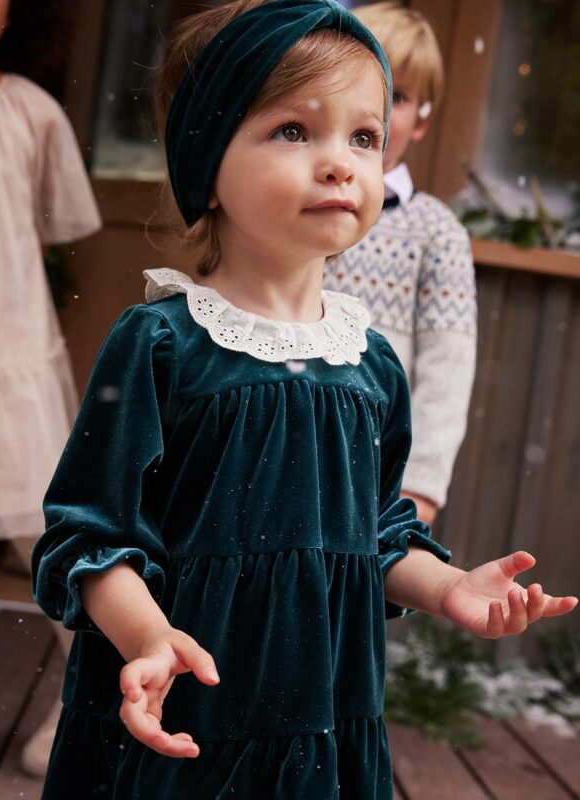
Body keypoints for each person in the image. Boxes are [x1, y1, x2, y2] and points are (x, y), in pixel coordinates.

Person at [32, 1, 577, 798]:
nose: (340, 163)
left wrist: (445, 586)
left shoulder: (371, 365)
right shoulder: (164, 345)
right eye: (294, 131)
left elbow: (378, 532)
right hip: (187, 715)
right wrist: (148, 636)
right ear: (206, 162)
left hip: (321, 717)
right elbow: (86, 537)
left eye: (363, 137)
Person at [0, 0, 102, 778]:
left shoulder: (33, 114)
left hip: (8, 342)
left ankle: (84, 691)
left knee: (47, 532)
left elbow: (57, 222)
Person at [324, 1, 477, 526]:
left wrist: (422, 491)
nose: (383, 110)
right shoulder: (303, 201)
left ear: (422, 120)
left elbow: (446, 375)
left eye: (402, 97)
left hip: (374, 478)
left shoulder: (434, 232)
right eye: (366, 89)